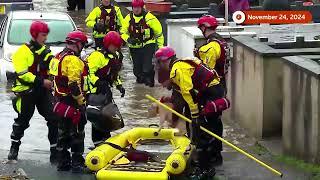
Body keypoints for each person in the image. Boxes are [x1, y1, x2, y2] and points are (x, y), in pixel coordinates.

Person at [155, 46, 229, 179]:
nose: (159, 65)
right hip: (214, 90)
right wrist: (169, 100)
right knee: (211, 125)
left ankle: (204, 169)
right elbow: (182, 95)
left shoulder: (177, 70)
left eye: (159, 62)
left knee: (202, 131)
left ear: (166, 60)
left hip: (210, 93)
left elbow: (187, 92)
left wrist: (195, 115)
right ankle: (214, 158)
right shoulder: (181, 64)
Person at [8, 21, 58, 163]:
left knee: (54, 118)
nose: (45, 38)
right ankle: (14, 149)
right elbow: (23, 74)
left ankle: (55, 152)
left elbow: (52, 69)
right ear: (35, 35)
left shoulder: (46, 51)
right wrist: (42, 81)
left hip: (42, 91)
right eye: (43, 35)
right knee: (22, 121)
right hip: (26, 92)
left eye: (46, 35)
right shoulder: (22, 52)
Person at [50, 30, 88, 173]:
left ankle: (63, 163)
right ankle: (77, 163)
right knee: (78, 132)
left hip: (60, 101)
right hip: (72, 102)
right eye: (82, 45)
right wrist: (81, 102)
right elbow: (73, 84)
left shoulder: (57, 57)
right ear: (78, 44)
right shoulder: (72, 60)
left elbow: (55, 78)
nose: (82, 47)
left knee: (63, 133)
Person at [86, 31, 125, 147]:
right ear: (107, 44)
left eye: (117, 46)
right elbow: (88, 73)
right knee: (97, 116)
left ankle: (105, 140)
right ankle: (98, 142)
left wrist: (119, 85)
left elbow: (115, 74)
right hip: (95, 93)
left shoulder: (116, 56)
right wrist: (98, 82)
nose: (116, 48)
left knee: (106, 116)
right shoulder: (97, 56)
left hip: (107, 92)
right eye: (114, 46)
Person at [121, 0, 164, 87]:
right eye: (134, 8)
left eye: (138, 7)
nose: (136, 10)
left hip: (148, 44)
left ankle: (149, 82)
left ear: (142, 7)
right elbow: (122, 32)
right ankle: (140, 86)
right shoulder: (128, 18)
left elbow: (159, 34)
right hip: (134, 47)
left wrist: (160, 48)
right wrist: (128, 39)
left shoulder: (150, 18)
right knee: (137, 71)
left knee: (146, 68)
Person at [195, 15, 230, 94]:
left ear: (204, 27)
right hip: (222, 83)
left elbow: (207, 71)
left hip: (213, 86)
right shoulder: (220, 40)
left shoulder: (212, 46)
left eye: (201, 28)